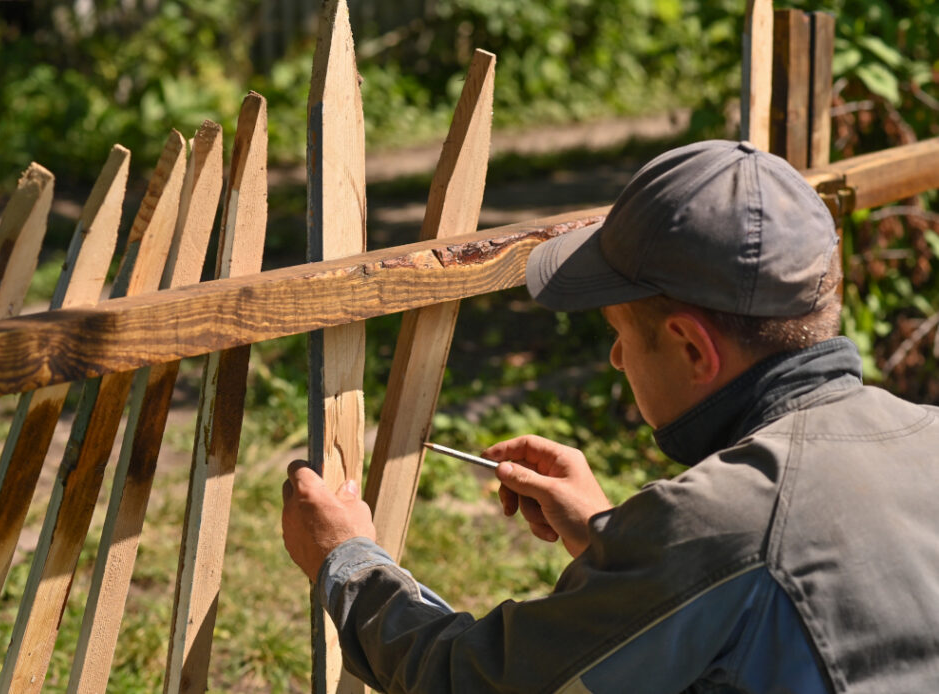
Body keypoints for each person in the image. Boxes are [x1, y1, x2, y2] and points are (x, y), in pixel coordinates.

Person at [281, 139, 939, 693]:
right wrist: (613, 539)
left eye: (618, 331)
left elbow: (477, 681)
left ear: (688, 347)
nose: (618, 358)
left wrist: (346, 562)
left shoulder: (722, 524)